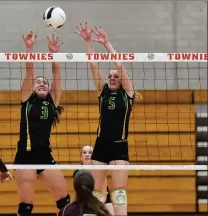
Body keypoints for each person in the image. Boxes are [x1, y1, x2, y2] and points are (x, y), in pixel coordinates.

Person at [75, 22, 139, 216]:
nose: (112, 77)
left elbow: (119, 65)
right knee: (95, 192)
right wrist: (88, 42)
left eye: (115, 76)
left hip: (120, 146)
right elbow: (93, 65)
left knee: (119, 193)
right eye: (110, 76)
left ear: (121, 79)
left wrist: (106, 43)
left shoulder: (127, 93)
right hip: (101, 144)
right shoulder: (102, 92)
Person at [13, 32, 70, 216]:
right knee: (26, 207)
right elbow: (29, 71)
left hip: (45, 155)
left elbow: (57, 74)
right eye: (38, 82)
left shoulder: (52, 101)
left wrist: (54, 54)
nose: (42, 84)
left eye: (44, 82)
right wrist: (29, 48)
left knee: (65, 202)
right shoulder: (27, 99)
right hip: (25, 157)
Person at [73, 145, 115, 215]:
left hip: (101, 200)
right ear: (81, 156)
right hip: (84, 202)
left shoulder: (99, 170)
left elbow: (104, 194)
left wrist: (97, 205)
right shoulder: (77, 172)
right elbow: (77, 193)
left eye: (90, 153)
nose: (87, 155)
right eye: (84, 152)